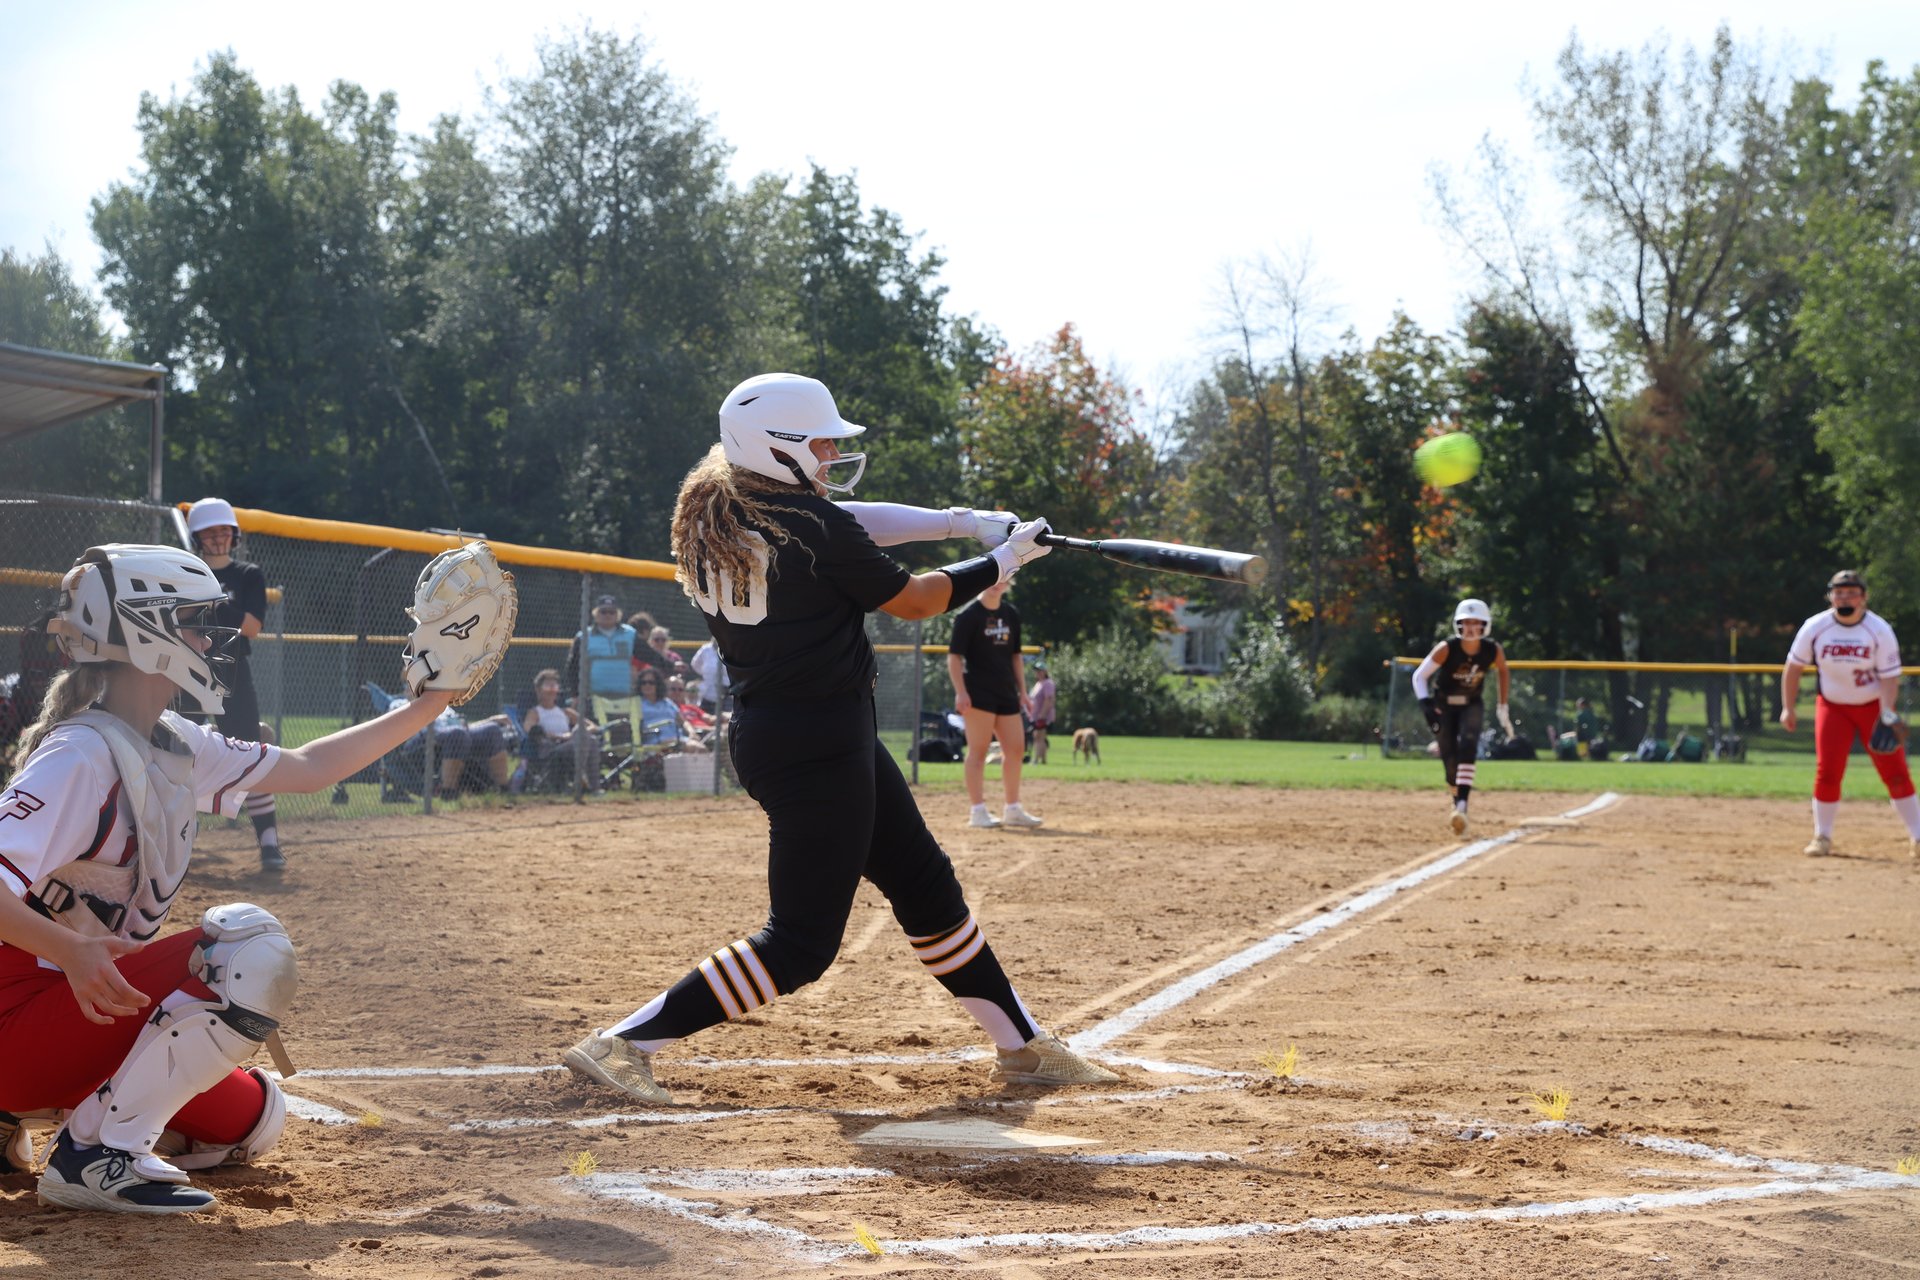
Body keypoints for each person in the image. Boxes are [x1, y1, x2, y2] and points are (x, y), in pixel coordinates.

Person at [561, 371, 1116, 1105]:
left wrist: (961, 521)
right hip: (816, 744)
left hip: (799, 734)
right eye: (819, 441)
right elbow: (915, 600)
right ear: (779, 446)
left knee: (925, 887)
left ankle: (1022, 1047)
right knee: (799, 943)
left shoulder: (720, 511)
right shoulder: (811, 529)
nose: (829, 453)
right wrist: (1002, 559)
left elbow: (849, 520)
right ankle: (624, 1043)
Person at [0, 542, 490, 1213]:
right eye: (195, 621)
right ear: (147, 633)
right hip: (19, 1021)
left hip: (69, 1015)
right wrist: (67, 952)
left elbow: (309, 767)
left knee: (257, 1121)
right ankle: (94, 1157)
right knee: (247, 947)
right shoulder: (81, 754)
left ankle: (35, 1118)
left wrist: (429, 704)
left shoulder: (167, 740)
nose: (210, 639)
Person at [1780, 570, 1920, 859]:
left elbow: (1889, 677)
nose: (1845, 598)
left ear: (1864, 598)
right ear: (1830, 597)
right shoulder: (1815, 626)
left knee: (1895, 773)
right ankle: (1823, 836)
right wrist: (1788, 707)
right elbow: (1793, 668)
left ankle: (1918, 837)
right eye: (1839, 593)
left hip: (1873, 707)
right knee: (1828, 771)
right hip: (1833, 706)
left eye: (1852, 592)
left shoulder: (1878, 629)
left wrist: (1886, 712)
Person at [184, 498, 285, 874]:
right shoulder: (186, 571)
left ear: (234, 536)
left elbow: (252, 626)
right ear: (198, 537)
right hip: (190, 665)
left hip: (232, 668)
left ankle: (270, 843)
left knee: (250, 750)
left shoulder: (247, 574)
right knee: (181, 751)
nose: (219, 538)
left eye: (225, 531)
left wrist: (211, 599)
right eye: (211, 533)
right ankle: (179, 838)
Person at [1411, 598, 1512, 838]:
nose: (1470, 628)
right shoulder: (1447, 648)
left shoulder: (1492, 650)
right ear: (1458, 625)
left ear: (1484, 625)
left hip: (1471, 703)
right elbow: (1419, 677)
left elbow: (1504, 672)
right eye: (1466, 623)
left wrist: (1503, 705)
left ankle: (1462, 807)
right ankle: (1457, 800)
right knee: (1449, 761)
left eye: (1476, 623)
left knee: (1468, 744)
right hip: (1444, 705)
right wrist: (1426, 705)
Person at [948, 581, 1040, 828]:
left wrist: (1023, 692)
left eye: (1003, 578)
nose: (996, 584)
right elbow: (954, 656)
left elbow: (1016, 656)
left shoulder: (1010, 614)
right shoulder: (968, 615)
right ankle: (977, 812)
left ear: (1009, 582)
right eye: (992, 577)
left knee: (1016, 750)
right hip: (978, 694)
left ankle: (1013, 808)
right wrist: (960, 692)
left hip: (1006, 692)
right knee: (978, 752)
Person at [568, 596, 641, 731]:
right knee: (597, 734)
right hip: (593, 697)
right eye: (603, 611)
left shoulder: (630, 634)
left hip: (624, 697)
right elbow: (572, 667)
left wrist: (671, 666)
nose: (607, 615)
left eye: (611, 612)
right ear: (596, 613)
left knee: (622, 733)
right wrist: (575, 694)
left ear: (618, 614)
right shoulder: (583, 636)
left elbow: (648, 656)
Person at [516, 669, 594, 794]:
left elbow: (592, 726)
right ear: (538, 690)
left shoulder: (566, 712)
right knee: (583, 743)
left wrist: (575, 733)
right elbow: (529, 729)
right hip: (550, 747)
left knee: (590, 739)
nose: (552, 690)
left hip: (573, 742)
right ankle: (583, 782)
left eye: (554, 686)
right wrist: (557, 736)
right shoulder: (535, 712)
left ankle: (593, 785)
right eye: (547, 686)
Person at [1028, 656, 1056, 766]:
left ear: (1045, 671)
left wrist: (1042, 715)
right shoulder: (1038, 683)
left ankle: (1035, 760)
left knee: (1039, 737)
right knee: (1039, 737)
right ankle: (1043, 760)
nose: (1038, 673)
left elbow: (1048, 699)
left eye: (1040, 671)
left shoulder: (1048, 683)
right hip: (1036, 715)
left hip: (1042, 716)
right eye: (1036, 671)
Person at [690, 637, 728, 714]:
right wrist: (705, 674)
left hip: (727, 693)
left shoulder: (730, 648)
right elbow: (695, 664)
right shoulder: (706, 649)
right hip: (707, 694)